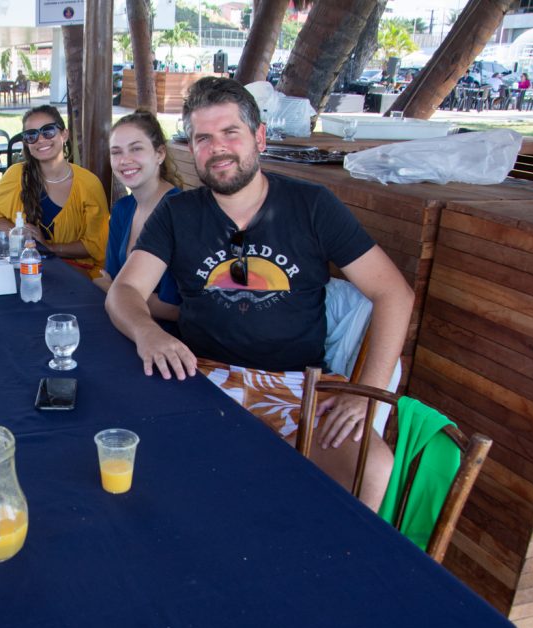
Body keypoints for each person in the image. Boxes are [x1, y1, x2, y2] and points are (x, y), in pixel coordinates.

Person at [104, 77, 414, 510]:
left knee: (373, 466)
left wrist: (367, 391)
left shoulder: (312, 206)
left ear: (259, 137)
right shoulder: (178, 213)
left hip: (297, 385)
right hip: (199, 375)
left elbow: (394, 293)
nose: (218, 148)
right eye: (203, 138)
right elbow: (124, 291)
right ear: (191, 149)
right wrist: (148, 333)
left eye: (231, 132)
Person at [0, 104, 109, 279]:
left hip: (74, 273)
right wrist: (19, 234)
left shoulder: (89, 184)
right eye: (31, 135)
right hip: (24, 269)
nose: (40, 139)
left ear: (64, 134)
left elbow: (96, 246)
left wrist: (48, 247)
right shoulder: (16, 175)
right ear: (26, 142)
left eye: (48, 131)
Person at [94, 108, 182, 321]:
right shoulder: (123, 208)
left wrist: (116, 291)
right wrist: (116, 290)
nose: (125, 160)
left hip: (166, 340)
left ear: (159, 154)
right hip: (123, 325)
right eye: (116, 152)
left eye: (135, 149)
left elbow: (175, 310)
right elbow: (109, 277)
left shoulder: (181, 211)